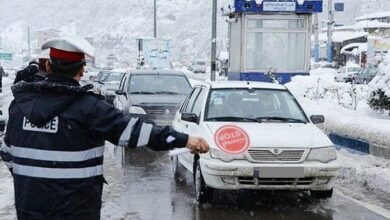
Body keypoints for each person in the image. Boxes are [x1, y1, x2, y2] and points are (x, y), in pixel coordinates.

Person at [0, 36, 209, 220]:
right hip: (77, 212)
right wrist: (183, 139)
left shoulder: (20, 107)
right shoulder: (90, 109)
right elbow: (139, 134)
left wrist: (34, 183)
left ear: (48, 66)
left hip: (29, 210)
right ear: (82, 70)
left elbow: (7, 152)